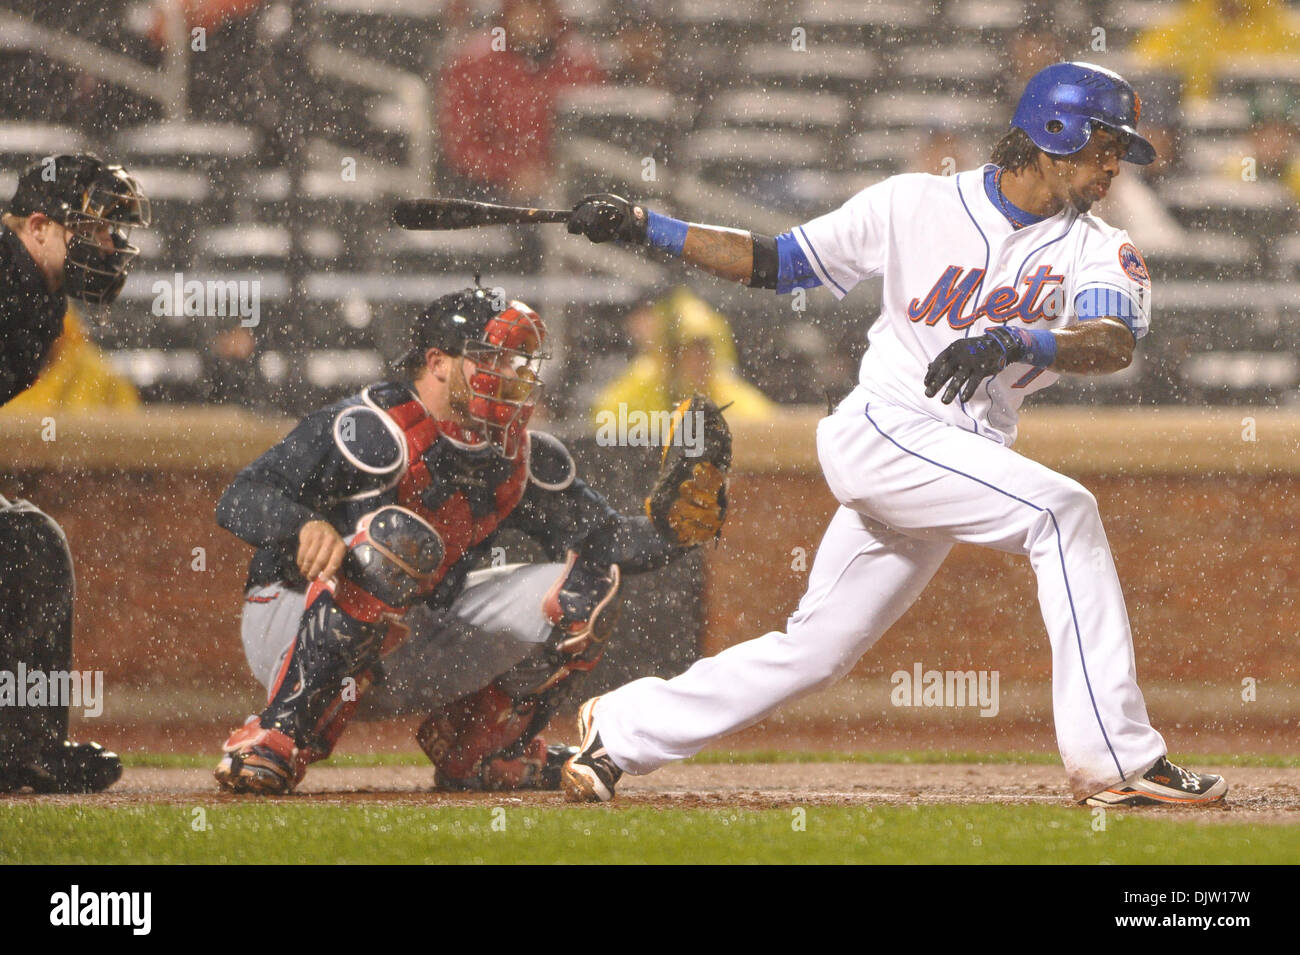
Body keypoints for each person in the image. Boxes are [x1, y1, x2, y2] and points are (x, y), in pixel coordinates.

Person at [560, 62, 1229, 808]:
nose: (1114, 167)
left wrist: (1020, 343)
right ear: (1053, 132)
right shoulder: (915, 202)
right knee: (1062, 512)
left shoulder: (1099, 247)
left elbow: (1110, 342)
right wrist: (648, 225)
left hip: (957, 455)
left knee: (814, 650)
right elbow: (777, 262)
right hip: (885, 429)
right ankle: (1116, 759)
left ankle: (619, 728)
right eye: (1105, 147)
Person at [213, 286, 725, 794]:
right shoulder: (367, 427)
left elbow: (608, 543)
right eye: (492, 358)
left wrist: (673, 532)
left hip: (411, 635)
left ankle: (481, 750)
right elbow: (240, 496)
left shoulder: (518, 455)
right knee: (396, 541)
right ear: (437, 362)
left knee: (590, 586)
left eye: (517, 361)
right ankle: (276, 734)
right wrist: (304, 525)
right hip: (291, 620)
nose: (511, 374)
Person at [0, 153, 150, 793]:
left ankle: (23, 746)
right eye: (92, 231)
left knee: (28, 543)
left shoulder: (34, 297)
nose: (111, 246)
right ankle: (24, 747)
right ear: (38, 226)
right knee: (31, 546)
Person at [436, 0, 604, 203]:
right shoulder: (474, 63)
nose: (531, 19)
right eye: (523, 10)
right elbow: (462, 143)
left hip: (569, 187)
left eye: (539, 10)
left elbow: (595, 138)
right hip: (488, 189)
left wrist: (553, 173)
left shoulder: (581, 65)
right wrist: (510, 171)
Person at [590, 286, 776, 426]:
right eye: (685, 350)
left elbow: (770, 433)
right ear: (664, 354)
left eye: (704, 349)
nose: (699, 360)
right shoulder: (631, 397)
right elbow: (602, 426)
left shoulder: (734, 401)